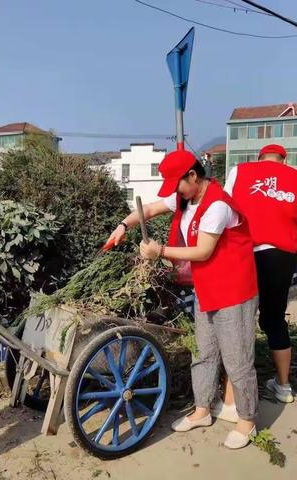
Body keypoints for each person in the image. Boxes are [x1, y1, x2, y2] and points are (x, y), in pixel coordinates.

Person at [107, 150, 259, 449]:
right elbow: (148, 210)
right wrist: (124, 226)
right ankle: (202, 409)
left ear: (193, 176)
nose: (175, 192)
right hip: (208, 287)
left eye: (177, 184)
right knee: (204, 352)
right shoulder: (186, 197)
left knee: (237, 358)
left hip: (234, 289)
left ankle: (247, 421)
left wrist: (159, 251)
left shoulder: (217, 205)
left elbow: (203, 251)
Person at [214, 144, 297, 416]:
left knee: (238, 319)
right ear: (284, 160)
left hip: (244, 254)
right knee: (274, 319)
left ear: (259, 159)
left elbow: (220, 211)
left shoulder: (239, 172)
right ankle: (284, 386)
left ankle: (232, 397)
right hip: (281, 257)